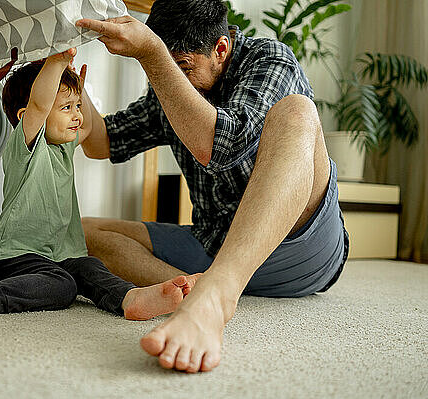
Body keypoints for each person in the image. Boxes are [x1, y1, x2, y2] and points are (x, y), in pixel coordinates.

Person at [75, 0, 348, 373]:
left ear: (220, 49)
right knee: (83, 232)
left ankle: (216, 297)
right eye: (168, 66)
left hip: (301, 246)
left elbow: (219, 147)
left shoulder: (269, 59)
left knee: (296, 110)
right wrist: (73, 78)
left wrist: (154, 55)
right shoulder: (171, 80)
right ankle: (188, 289)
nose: (174, 77)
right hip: (214, 244)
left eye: (182, 66)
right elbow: (100, 141)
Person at [0, 48, 197, 324]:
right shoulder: (27, 146)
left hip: (62, 255)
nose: (76, 115)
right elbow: (40, 106)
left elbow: (88, 128)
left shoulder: (63, 148)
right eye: (67, 108)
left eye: (76, 107)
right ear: (24, 116)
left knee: (90, 267)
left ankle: (131, 298)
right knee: (63, 286)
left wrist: (80, 91)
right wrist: (57, 62)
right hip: (18, 256)